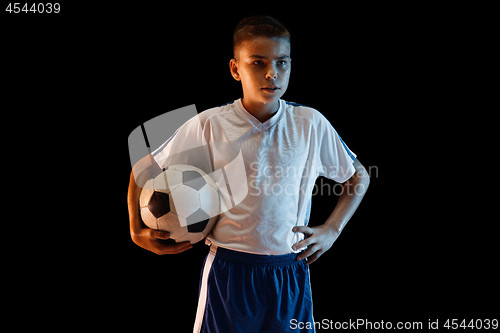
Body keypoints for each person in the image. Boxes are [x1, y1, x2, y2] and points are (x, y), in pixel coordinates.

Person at [127, 15, 370, 333]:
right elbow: (143, 169)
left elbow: (358, 177)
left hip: (289, 268)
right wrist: (135, 230)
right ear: (235, 68)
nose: (272, 73)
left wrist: (333, 230)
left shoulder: (309, 124)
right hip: (229, 269)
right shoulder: (210, 124)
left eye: (282, 63)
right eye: (258, 62)